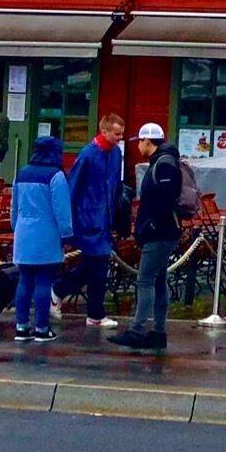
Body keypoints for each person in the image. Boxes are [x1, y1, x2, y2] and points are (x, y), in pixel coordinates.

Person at [112, 124, 192, 353]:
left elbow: (164, 202)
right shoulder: (164, 162)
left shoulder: (163, 165)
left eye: (140, 141)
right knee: (158, 279)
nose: (138, 145)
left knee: (145, 280)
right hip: (163, 231)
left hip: (159, 233)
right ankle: (158, 330)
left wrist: (149, 227)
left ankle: (138, 330)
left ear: (148, 141)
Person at [59, 113, 126, 327]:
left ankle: (63, 294)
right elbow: (73, 188)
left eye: (121, 134)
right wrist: (69, 223)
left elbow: (116, 185)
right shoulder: (87, 154)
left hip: (104, 219)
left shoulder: (116, 154)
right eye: (117, 134)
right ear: (104, 131)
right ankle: (94, 313)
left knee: (93, 266)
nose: (120, 138)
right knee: (97, 265)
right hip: (88, 219)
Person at [9, 133, 76, 341]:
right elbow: (61, 210)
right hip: (46, 233)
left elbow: (14, 207)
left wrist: (16, 228)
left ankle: (21, 326)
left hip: (23, 233)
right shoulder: (56, 176)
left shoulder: (21, 174)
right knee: (44, 281)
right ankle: (41, 328)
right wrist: (67, 234)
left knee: (24, 281)